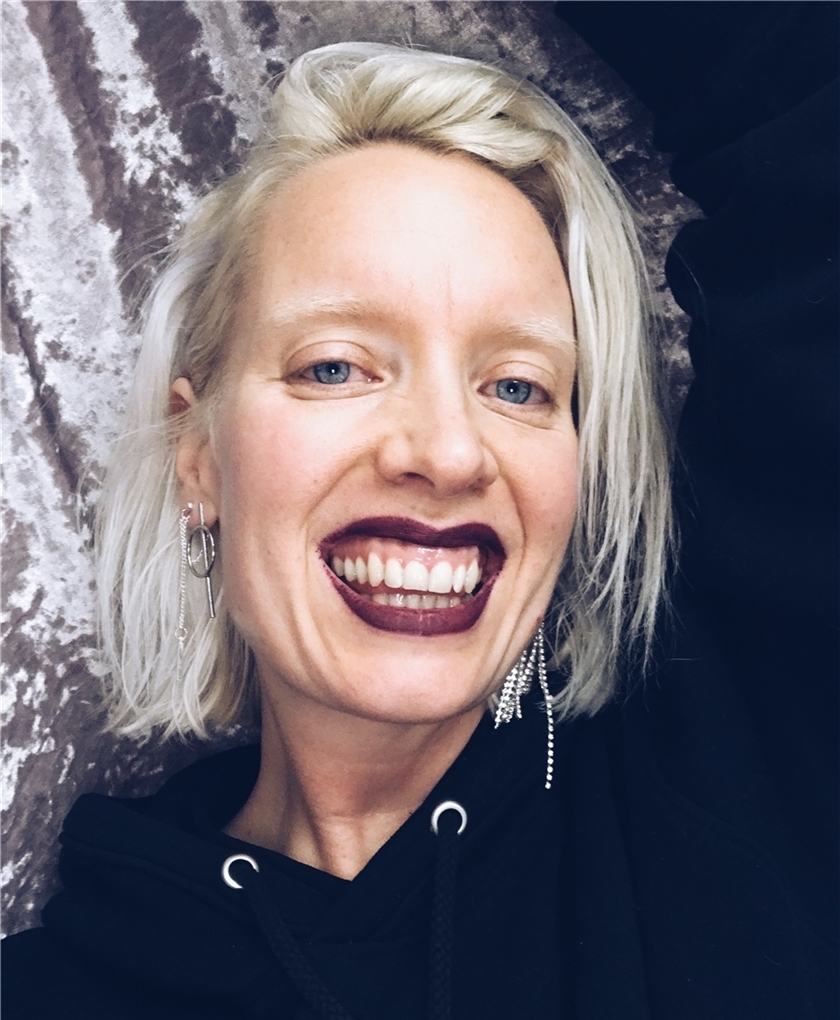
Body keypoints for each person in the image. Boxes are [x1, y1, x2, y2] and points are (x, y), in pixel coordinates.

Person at [3, 12, 837, 1019]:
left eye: (519, 386)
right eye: (335, 367)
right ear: (200, 462)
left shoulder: (743, 788)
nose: (446, 452)